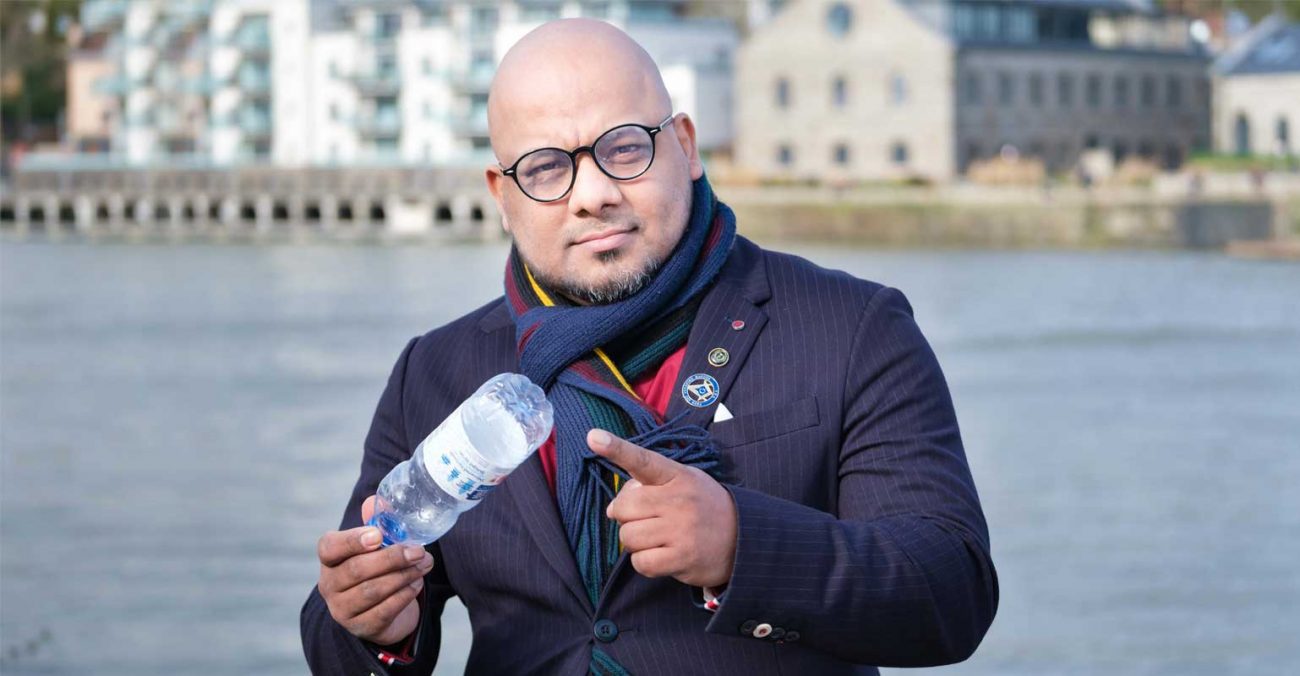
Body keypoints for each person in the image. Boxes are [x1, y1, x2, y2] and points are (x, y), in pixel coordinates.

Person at [301, 19, 997, 676]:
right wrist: (373, 628)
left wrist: (742, 546)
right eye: (544, 168)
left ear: (686, 146)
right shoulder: (435, 370)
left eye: (625, 148)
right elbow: (340, 639)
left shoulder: (851, 324)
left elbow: (953, 590)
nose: (593, 194)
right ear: (502, 197)